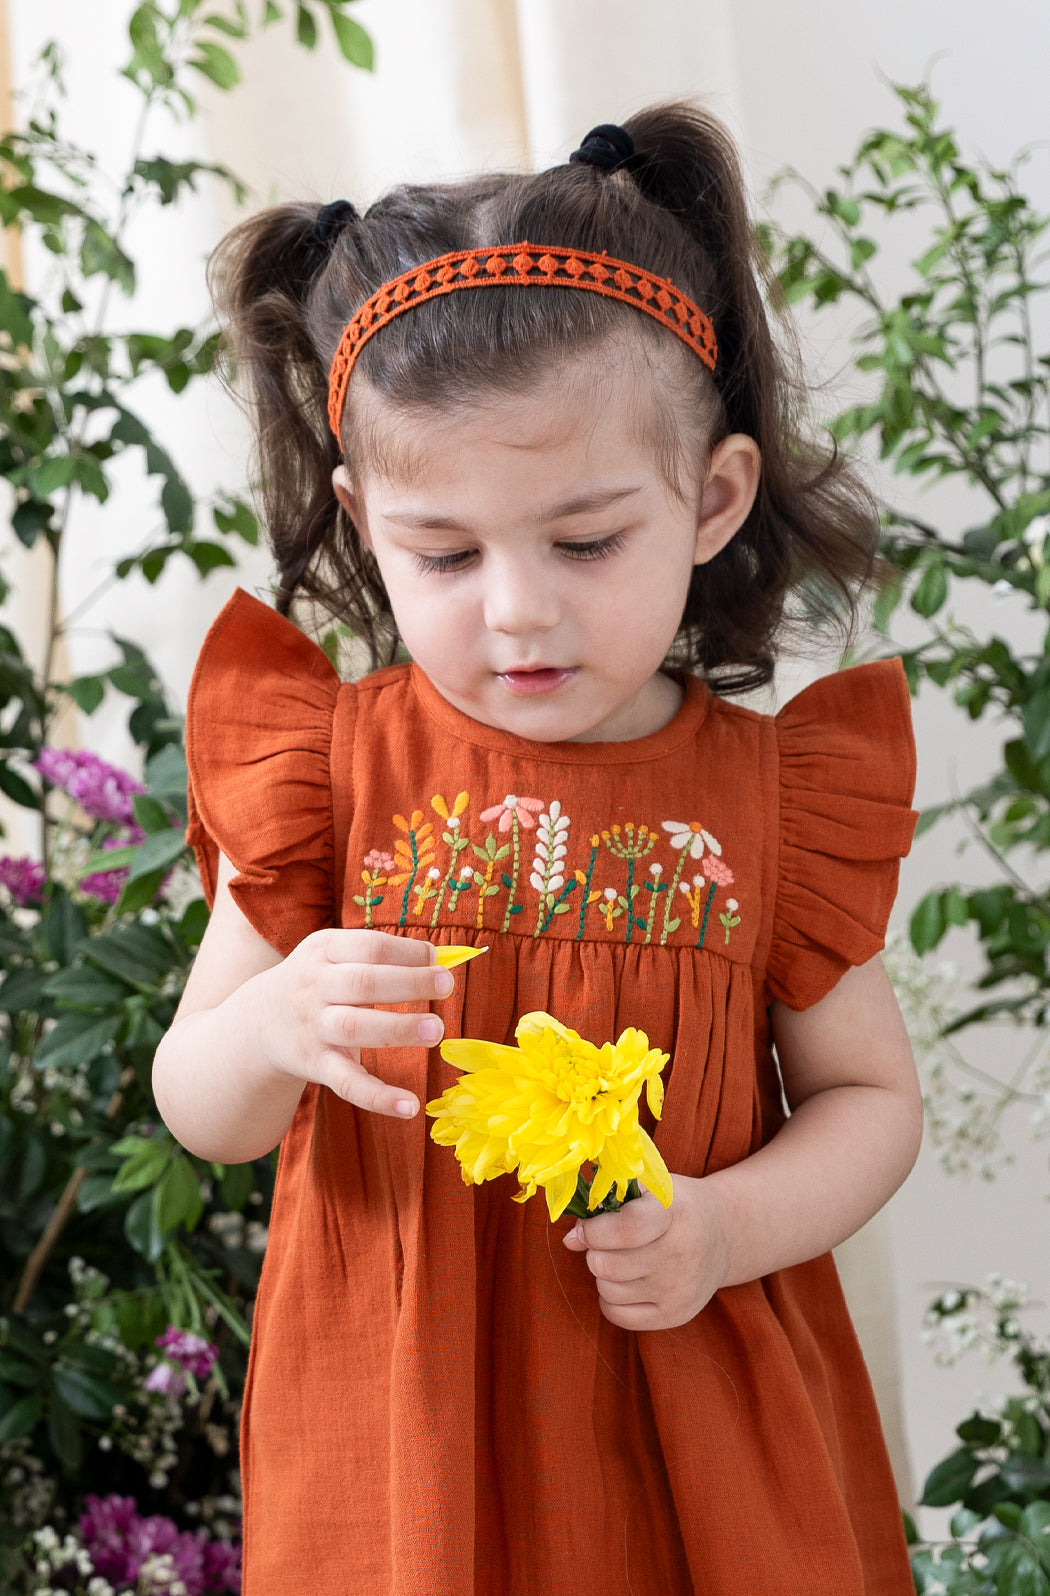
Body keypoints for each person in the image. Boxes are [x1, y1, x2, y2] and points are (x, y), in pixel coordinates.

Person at [152, 105, 923, 1596]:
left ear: (709, 502)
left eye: (582, 543)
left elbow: (870, 1104)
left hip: (691, 1413)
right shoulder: (329, 772)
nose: (515, 611)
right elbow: (203, 1106)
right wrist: (274, 1020)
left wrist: (719, 1227)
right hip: (402, 1429)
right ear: (366, 523)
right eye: (445, 555)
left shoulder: (771, 800)